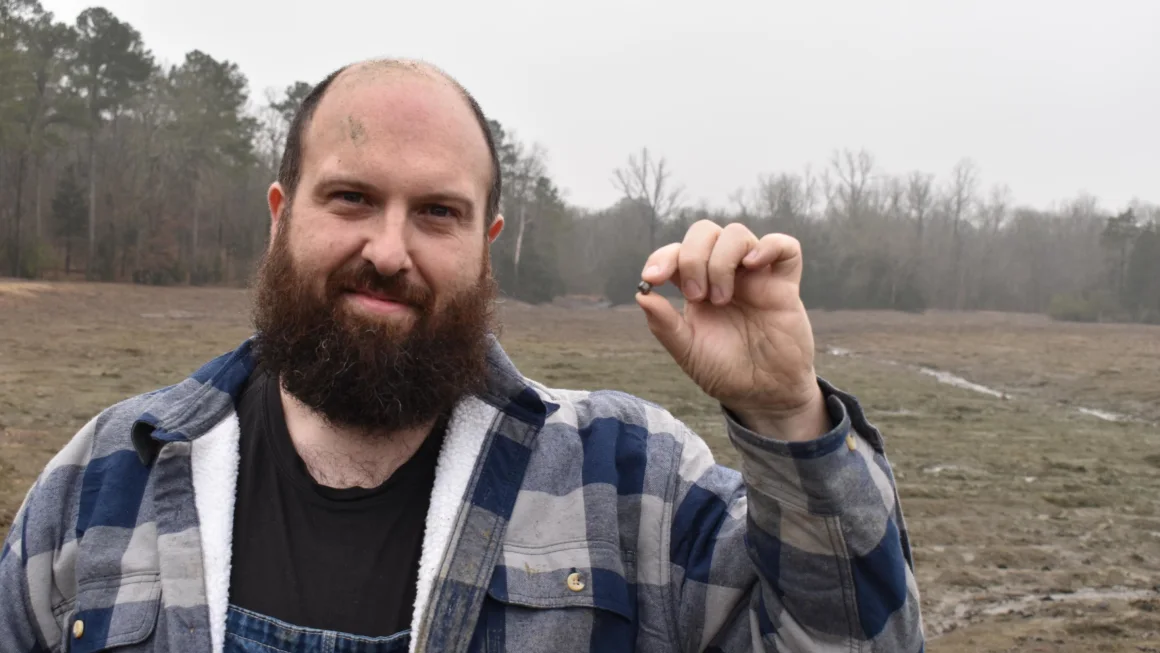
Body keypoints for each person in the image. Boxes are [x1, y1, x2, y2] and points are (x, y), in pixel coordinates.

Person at [0, 59, 924, 653]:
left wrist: (785, 416)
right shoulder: (107, 477)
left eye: (436, 212)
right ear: (282, 216)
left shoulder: (630, 482)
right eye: (352, 198)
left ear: (488, 240)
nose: (390, 250)